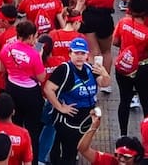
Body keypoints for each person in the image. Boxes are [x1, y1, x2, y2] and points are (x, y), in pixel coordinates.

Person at [43, 36, 110, 165]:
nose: (79, 56)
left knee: (74, 152)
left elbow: (104, 83)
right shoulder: (64, 70)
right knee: (66, 155)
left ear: (87, 55)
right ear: (70, 54)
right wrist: (60, 107)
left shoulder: (90, 69)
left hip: (84, 121)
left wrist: (105, 73)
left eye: (82, 53)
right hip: (67, 122)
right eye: (76, 53)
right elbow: (48, 89)